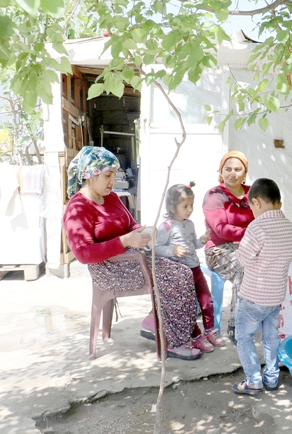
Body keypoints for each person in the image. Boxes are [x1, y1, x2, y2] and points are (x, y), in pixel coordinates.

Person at [63, 146, 201, 360]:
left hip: (133, 259)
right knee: (175, 276)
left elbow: (130, 224)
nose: (112, 181)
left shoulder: (112, 198)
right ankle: (172, 341)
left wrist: (142, 232)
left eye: (114, 175)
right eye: (108, 175)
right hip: (109, 269)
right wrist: (125, 241)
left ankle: (162, 325)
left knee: (184, 271)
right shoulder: (77, 208)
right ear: (90, 174)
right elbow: (83, 254)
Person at [231, 178, 292, 395]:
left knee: (244, 337)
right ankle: (271, 379)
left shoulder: (256, 227)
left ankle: (253, 380)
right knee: (271, 339)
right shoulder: (291, 228)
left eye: (251, 206)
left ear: (256, 203)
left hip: (253, 296)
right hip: (276, 298)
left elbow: (243, 259)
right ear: (277, 202)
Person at [155, 182, 225, 353]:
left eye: (191, 205)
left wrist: (202, 240)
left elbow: (193, 245)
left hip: (195, 269)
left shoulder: (190, 224)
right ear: (172, 207)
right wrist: (173, 250)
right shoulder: (166, 227)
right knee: (188, 307)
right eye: (185, 206)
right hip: (180, 274)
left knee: (207, 301)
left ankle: (210, 331)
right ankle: (196, 336)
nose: (189, 209)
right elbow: (155, 248)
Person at [203, 151, 255, 344]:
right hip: (218, 250)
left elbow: (265, 216)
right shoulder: (215, 195)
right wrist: (253, 232)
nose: (233, 174)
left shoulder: (252, 193)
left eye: (238, 169)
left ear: (245, 172)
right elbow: (221, 229)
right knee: (244, 265)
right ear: (221, 171)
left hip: (249, 247)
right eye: (228, 169)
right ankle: (237, 324)